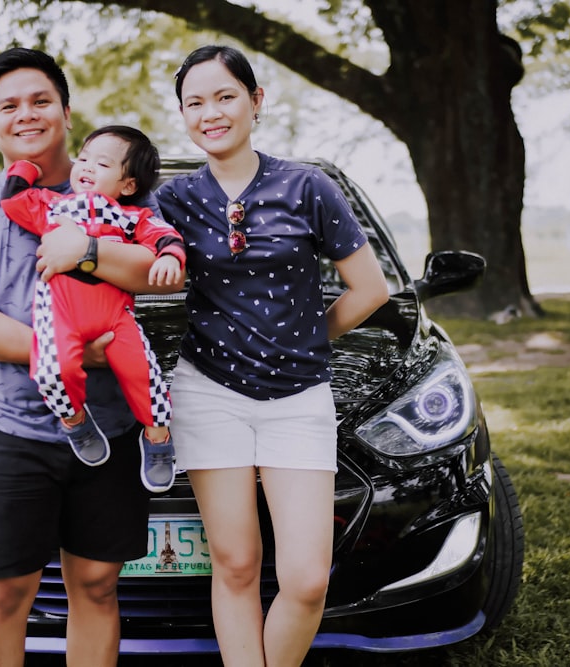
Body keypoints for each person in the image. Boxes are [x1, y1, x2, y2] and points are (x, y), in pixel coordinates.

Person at [0, 47, 183, 667]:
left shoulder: (123, 196)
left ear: (67, 112)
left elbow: (161, 274)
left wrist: (88, 249)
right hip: (13, 427)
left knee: (97, 585)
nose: (27, 115)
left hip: (115, 426)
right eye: (8, 106)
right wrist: (72, 356)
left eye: (41, 100)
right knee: (4, 592)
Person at [155, 45, 391, 667]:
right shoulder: (173, 200)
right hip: (208, 393)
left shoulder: (307, 186)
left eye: (225, 96)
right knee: (235, 564)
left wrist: (308, 337)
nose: (211, 112)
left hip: (299, 398)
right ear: (182, 114)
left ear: (256, 102)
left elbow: (370, 290)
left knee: (308, 577)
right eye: (194, 103)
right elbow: (125, 254)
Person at [0, 124, 185, 493]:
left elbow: (164, 236)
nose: (85, 166)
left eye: (101, 163)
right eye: (82, 158)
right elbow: (14, 200)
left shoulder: (132, 216)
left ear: (128, 185)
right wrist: (26, 167)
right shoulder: (52, 206)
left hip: (115, 316)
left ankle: (158, 437)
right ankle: (75, 422)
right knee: (53, 370)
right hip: (60, 313)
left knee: (144, 375)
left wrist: (170, 256)